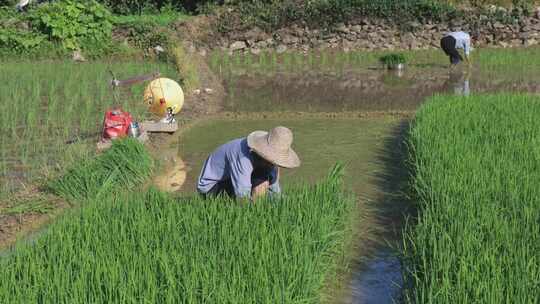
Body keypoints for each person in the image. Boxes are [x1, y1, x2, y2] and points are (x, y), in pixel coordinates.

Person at [197, 126, 301, 201]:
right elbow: (242, 195)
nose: (274, 164)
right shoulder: (242, 157)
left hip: (232, 182)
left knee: (267, 182)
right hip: (212, 188)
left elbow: (275, 192)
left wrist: (288, 202)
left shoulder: (268, 162)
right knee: (261, 183)